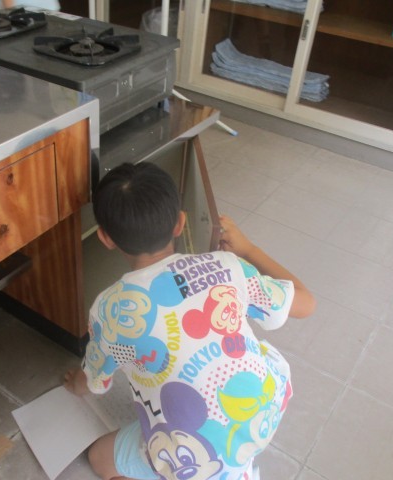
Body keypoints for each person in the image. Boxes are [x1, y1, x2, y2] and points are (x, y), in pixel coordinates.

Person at [64, 162, 316, 480]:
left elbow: (93, 381)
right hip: (264, 413)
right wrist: (248, 249)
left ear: (105, 238)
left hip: (195, 456)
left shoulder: (110, 309)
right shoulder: (229, 265)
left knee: (100, 458)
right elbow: (306, 303)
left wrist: (76, 384)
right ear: (180, 223)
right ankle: (239, 462)